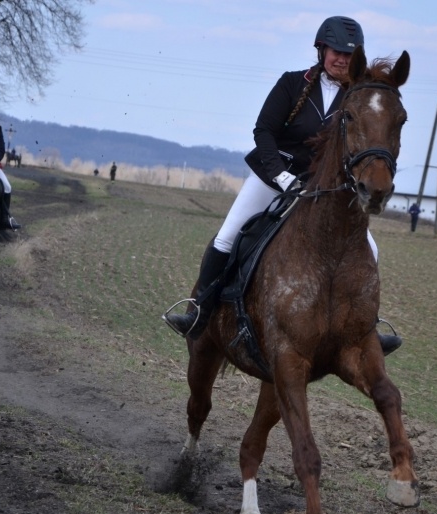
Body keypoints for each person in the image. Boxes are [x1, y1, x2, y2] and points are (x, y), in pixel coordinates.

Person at [163, 16, 402, 355]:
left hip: (324, 189)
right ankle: (198, 311)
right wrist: (280, 175)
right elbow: (263, 131)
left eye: (349, 55)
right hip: (275, 178)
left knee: (370, 250)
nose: (342, 60)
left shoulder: (358, 97)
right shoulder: (292, 83)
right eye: (336, 52)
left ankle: (368, 327)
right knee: (227, 236)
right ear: (322, 50)